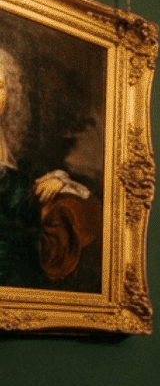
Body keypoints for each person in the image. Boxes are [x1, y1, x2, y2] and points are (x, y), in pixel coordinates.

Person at [0, 45, 99, 287]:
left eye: (0, 86)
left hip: (21, 274)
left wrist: (57, 180)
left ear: (10, 94)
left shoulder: (16, 153)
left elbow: (30, 186)